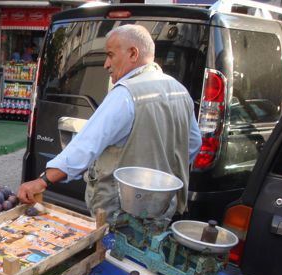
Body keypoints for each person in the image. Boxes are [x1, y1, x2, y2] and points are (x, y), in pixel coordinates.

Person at [18, 25, 202, 218]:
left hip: (122, 210)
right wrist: (160, 177)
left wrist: (42, 181)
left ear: (133, 53)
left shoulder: (126, 94)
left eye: (111, 55)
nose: (106, 64)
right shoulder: (179, 90)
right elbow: (193, 144)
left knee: (111, 248)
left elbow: (86, 145)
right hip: (163, 207)